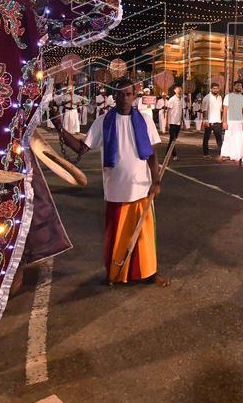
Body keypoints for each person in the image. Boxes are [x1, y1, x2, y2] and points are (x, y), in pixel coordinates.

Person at [54, 78, 168, 287]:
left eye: (128, 94)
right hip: (116, 190)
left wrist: (156, 180)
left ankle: (149, 273)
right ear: (113, 95)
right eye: (120, 94)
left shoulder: (145, 120)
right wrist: (59, 127)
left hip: (142, 188)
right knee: (117, 237)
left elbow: (152, 154)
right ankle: (116, 274)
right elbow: (81, 148)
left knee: (144, 237)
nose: (124, 98)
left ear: (135, 96)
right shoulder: (102, 121)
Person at [221, 80, 243, 163]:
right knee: (228, 138)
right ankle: (226, 154)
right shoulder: (228, 96)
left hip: (239, 122)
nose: (239, 87)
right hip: (230, 121)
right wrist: (224, 122)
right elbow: (225, 110)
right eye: (237, 85)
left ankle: (238, 156)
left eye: (240, 86)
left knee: (239, 138)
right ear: (234, 87)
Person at [201, 84, 224, 158]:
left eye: (217, 88)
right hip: (209, 121)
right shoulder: (207, 97)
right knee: (206, 138)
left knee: (219, 138)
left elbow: (221, 109)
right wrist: (205, 120)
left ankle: (220, 153)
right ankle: (206, 153)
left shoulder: (220, 97)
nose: (215, 90)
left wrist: (222, 120)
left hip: (218, 121)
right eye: (214, 88)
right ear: (211, 89)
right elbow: (204, 110)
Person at [165, 85, 184, 161]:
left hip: (178, 122)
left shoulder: (181, 99)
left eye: (181, 89)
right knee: (173, 139)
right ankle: (174, 155)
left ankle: (167, 153)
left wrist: (182, 121)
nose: (180, 91)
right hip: (172, 122)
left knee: (173, 139)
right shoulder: (172, 99)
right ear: (175, 90)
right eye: (178, 89)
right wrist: (167, 122)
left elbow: (181, 111)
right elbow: (168, 111)